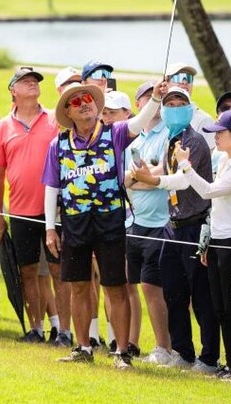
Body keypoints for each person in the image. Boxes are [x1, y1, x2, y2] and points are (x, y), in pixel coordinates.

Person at [43, 79, 167, 369]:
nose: (84, 104)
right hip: (74, 222)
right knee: (79, 286)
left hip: (110, 220)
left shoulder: (114, 133)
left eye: (87, 98)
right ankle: (83, 347)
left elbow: (138, 123)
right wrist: (50, 228)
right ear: (68, 112)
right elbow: (51, 187)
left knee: (115, 286)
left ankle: (121, 352)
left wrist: (155, 99)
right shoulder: (58, 144)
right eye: (76, 102)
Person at [135, 109, 231, 381]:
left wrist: (185, 164)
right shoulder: (225, 161)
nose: (215, 137)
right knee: (221, 308)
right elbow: (203, 194)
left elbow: (207, 191)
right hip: (218, 239)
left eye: (220, 133)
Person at [0, 66, 67, 345]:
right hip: (20, 210)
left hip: (55, 210)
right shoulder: (1, 128)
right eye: (25, 81)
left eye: (35, 80)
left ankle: (65, 331)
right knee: (28, 272)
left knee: (59, 272)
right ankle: (36, 329)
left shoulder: (55, 120)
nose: (33, 83)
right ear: (13, 90)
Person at [155, 86, 220, 373]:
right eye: (170, 104)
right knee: (173, 291)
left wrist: (152, 180)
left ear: (190, 108)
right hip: (173, 226)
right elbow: (168, 174)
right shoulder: (170, 140)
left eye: (180, 103)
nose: (175, 108)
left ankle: (209, 358)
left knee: (201, 295)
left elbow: (182, 181)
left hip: (195, 225)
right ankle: (183, 352)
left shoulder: (194, 140)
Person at [121, 81, 173, 365]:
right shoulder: (134, 141)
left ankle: (164, 348)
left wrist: (143, 178)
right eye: (147, 97)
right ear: (139, 104)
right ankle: (158, 347)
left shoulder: (168, 133)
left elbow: (164, 171)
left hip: (162, 223)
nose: (154, 102)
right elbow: (126, 180)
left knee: (153, 286)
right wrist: (146, 178)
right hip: (136, 224)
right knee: (140, 285)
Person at [165, 62, 216, 148]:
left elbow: (209, 154)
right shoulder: (158, 116)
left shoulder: (205, 120)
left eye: (188, 78)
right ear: (166, 83)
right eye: (179, 77)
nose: (184, 82)